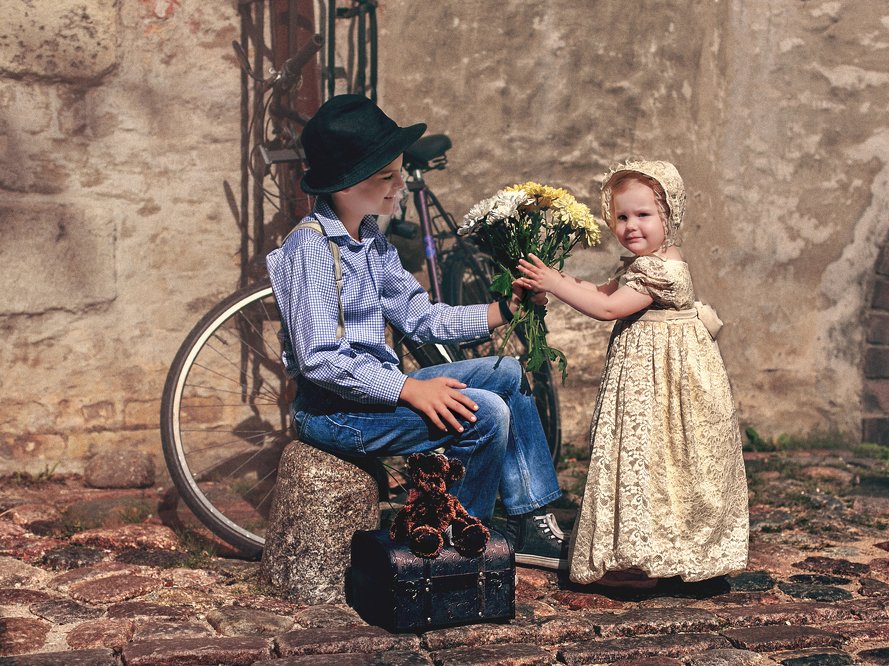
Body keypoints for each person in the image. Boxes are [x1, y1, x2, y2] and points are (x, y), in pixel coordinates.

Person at [266, 94, 566, 569]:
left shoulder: (371, 241)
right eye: (386, 177)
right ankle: (457, 545)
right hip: (335, 411)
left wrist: (503, 310)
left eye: (398, 172)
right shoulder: (313, 249)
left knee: (505, 371)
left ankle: (530, 517)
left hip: (376, 398)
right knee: (485, 413)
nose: (398, 186)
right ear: (345, 184)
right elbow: (320, 359)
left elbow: (421, 318)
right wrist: (409, 389)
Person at [514, 160, 748, 587]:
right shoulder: (644, 263)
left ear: (668, 216)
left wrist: (555, 281)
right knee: (652, 462)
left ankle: (644, 558)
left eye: (643, 215)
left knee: (657, 459)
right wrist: (554, 279)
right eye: (622, 217)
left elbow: (607, 309)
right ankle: (644, 552)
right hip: (651, 378)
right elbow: (602, 291)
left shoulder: (660, 269)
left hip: (664, 383)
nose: (631, 226)